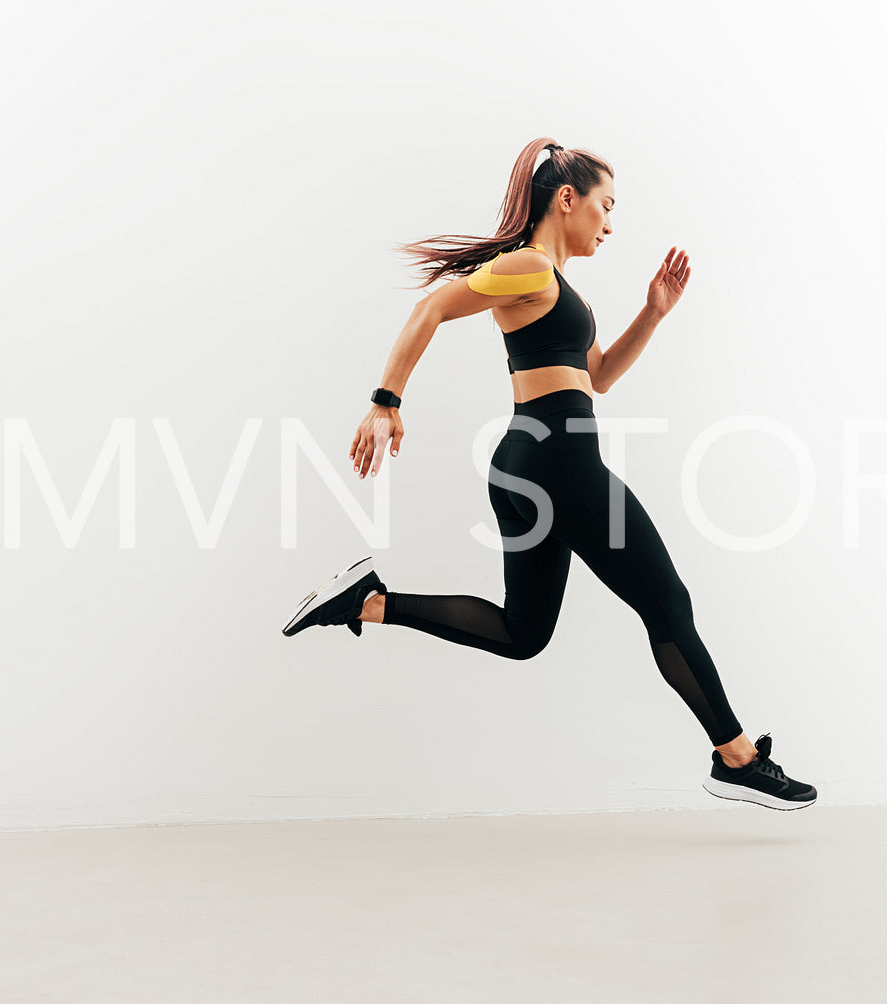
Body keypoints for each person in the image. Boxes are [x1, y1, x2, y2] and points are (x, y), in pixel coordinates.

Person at [281, 138, 815, 811]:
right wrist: (385, 401)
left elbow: (596, 378)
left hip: (531, 460)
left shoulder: (555, 287)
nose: (610, 224)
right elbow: (433, 309)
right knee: (667, 603)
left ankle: (366, 601)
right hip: (556, 457)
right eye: (605, 206)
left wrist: (652, 312)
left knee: (523, 633)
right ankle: (735, 757)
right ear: (567, 199)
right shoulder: (528, 268)